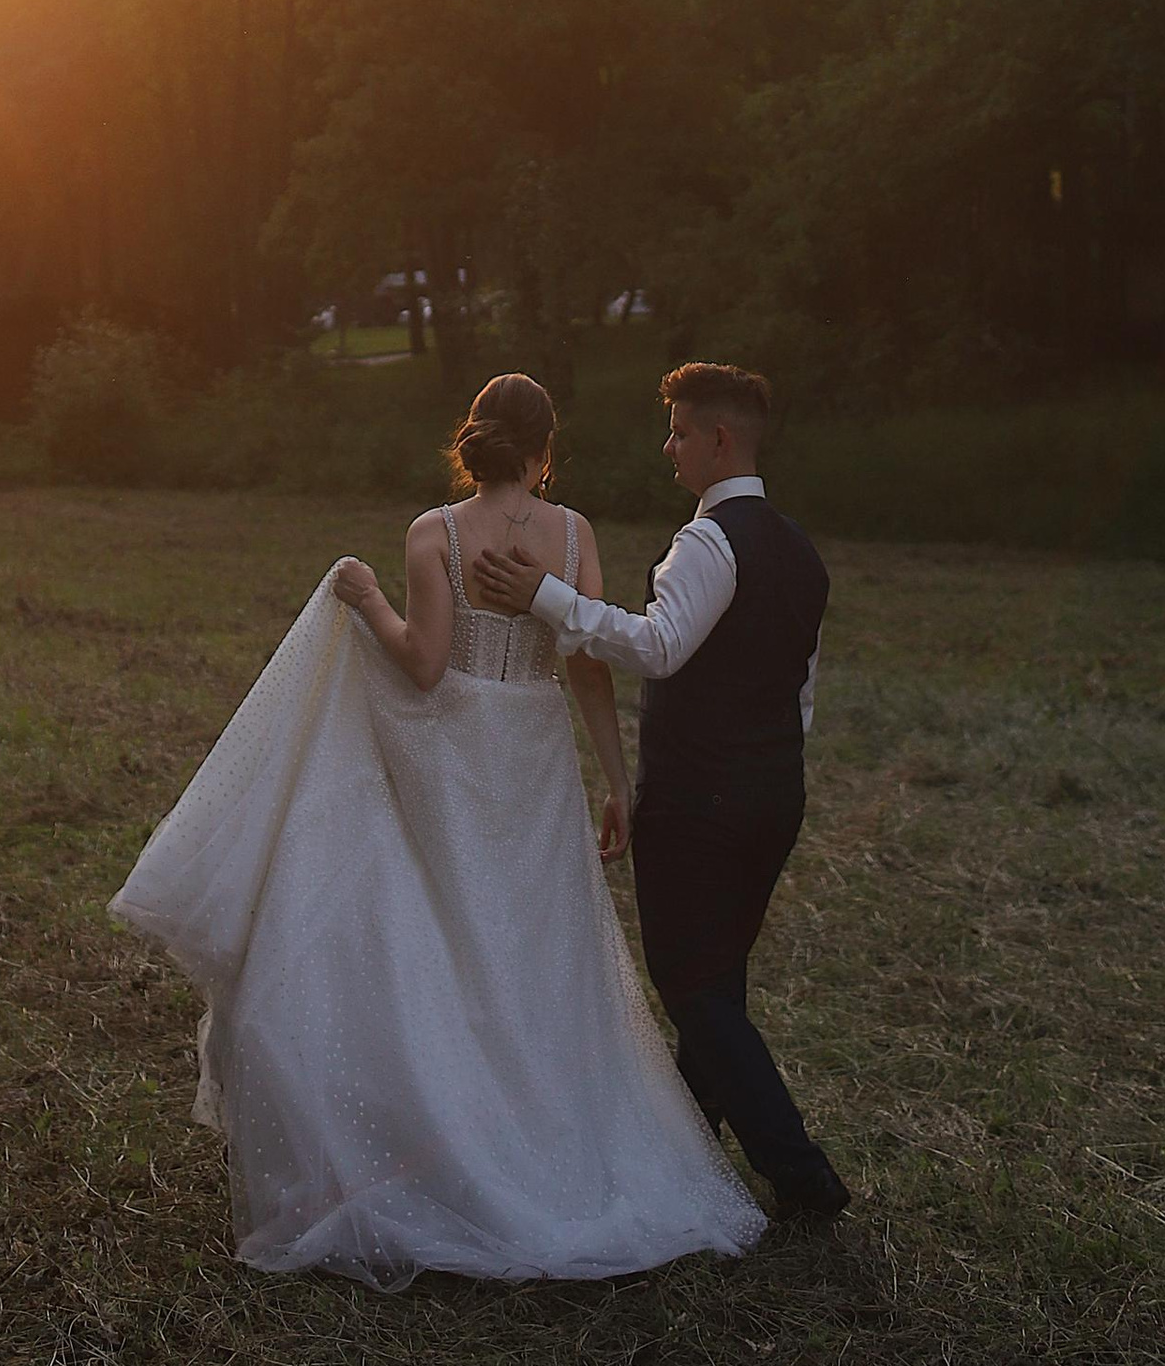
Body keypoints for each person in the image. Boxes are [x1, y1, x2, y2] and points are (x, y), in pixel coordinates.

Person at [108, 372, 765, 1286]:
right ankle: (539, 1143)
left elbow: (421, 664)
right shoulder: (574, 534)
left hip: (454, 755)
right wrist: (617, 780)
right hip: (534, 755)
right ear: (545, 449)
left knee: (451, 941)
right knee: (534, 949)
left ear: (476, 438)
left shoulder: (435, 532)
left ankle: (448, 1146)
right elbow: (586, 665)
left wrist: (365, 597)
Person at [469, 358, 848, 1223]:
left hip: (700, 801)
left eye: (679, 433)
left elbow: (658, 645)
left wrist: (545, 596)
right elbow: (802, 688)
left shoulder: (709, 542)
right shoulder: (800, 551)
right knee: (718, 982)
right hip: (774, 795)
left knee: (691, 988)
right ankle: (689, 1155)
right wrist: (770, 769)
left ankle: (802, 1175)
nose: (668, 448)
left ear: (719, 439)